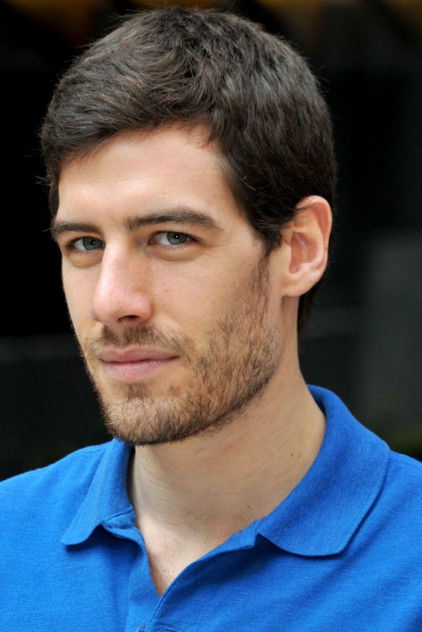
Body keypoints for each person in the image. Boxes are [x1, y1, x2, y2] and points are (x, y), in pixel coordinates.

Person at [0, 7, 420, 631]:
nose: (111, 302)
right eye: (85, 244)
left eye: (171, 237)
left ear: (299, 249)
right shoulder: (9, 535)